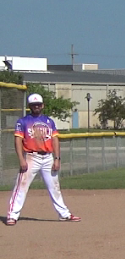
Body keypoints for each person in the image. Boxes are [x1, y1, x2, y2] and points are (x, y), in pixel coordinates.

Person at [7, 93, 79, 226]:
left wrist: (57, 158)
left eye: (38, 104)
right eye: (34, 105)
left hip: (47, 157)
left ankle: (64, 214)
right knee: (21, 186)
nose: (36, 107)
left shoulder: (49, 121)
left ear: (42, 105)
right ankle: (12, 215)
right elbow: (18, 141)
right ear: (29, 106)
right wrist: (21, 159)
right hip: (31, 156)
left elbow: (55, 140)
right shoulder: (23, 121)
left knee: (55, 187)